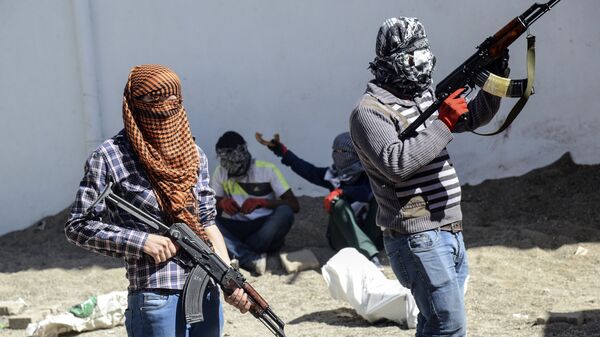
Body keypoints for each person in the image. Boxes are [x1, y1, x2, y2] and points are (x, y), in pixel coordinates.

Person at [349, 18, 510, 336]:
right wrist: (444, 123)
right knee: (450, 324)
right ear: (391, 62)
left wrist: (496, 76)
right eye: (414, 57)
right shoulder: (369, 112)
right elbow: (396, 164)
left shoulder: (422, 97)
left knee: (434, 322)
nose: (423, 64)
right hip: (417, 235)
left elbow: (475, 115)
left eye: (426, 54)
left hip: (449, 229)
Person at [65, 64, 251, 337]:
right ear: (133, 104)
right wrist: (141, 242)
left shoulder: (193, 155)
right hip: (155, 295)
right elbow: (78, 226)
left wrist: (229, 279)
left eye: (171, 99)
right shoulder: (110, 156)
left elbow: (207, 222)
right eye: (152, 99)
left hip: (206, 293)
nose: (164, 107)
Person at [259, 131, 384, 266]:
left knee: (379, 198)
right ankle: (371, 256)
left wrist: (342, 191)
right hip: (342, 240)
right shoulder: (332, 176)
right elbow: (306, 169)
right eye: (335, 151)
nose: (337, 155)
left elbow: (367, 192)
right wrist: (281, 151)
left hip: (372, 236)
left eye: (342, 151)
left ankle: (373, 246)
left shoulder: (370, 175)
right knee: (338, 204)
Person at [211, 131, 299, 276]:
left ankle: (237, 252)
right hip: (236, 227)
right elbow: (211, 205)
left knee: (285, 212)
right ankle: (249, 258)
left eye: (236, 163)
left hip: (263, 228)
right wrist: (221, 203)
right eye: (227, 163)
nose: (231, 166)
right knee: (205, 219)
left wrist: (262, 202)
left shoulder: (267, 170)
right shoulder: (221, 171)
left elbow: (294, 205)